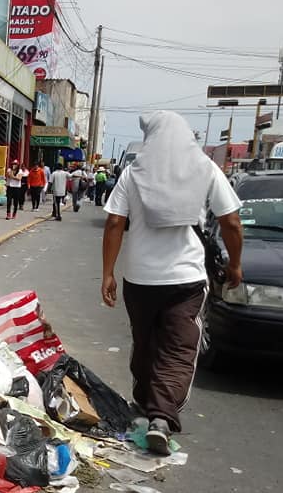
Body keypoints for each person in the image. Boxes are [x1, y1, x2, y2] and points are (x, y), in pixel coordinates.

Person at [101, 111, 244, 454]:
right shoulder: (206, 168)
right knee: (179, 349)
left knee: (145, 342)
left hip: (139, 279)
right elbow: (232, 222)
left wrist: (107, 272)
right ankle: (162, 417)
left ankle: (144, 403)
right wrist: (235, 265)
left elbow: (114, 223)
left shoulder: (134, 172)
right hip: (186, 280)